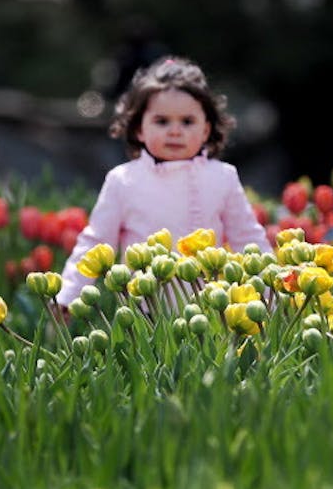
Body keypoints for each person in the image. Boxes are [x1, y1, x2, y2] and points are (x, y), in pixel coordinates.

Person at [57, 56, 271, 306]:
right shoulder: (123, 180)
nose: (175, 131)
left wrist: (270, 296)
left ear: (206, 130)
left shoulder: (222, 177)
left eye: (187, 122)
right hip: (145, 310)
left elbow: (248, 239)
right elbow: (95, 243)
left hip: (212, 308)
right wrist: (69, 294)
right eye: (162, 121)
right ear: (139, 128)